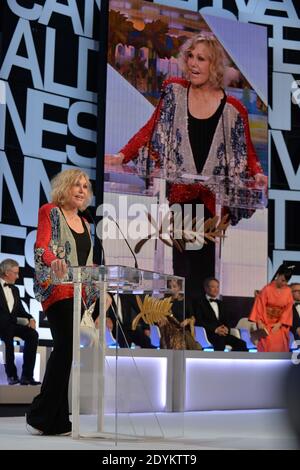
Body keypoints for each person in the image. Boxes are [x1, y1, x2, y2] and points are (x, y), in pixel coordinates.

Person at [105, 32, 267, 304]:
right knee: (182, 270)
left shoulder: (234, 108)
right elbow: (151, 128)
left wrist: (258, 172)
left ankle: (199, 328)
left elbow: (247, 149)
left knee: (205, 272)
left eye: (201, 59)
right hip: (181, 193)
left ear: (213, 65)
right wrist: (123, 155)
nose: (193, 63)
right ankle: (183, 325)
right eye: (190, 56)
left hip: (213, 201)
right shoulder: (174, 91)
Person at [26, 169, 96, 436]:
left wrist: (103, 290)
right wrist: (52, 260)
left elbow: (87, 263)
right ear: (64, 188)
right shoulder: (50, 211)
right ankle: (39, 413)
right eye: (76, 185)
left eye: (85, 187)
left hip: (78, 293)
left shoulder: (86, 224)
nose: (81, 190)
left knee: (67, 351)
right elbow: (41, 246)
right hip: (56, 288)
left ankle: (54, 418)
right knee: (66, 346)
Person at [0, 259, 40, 385]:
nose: (18, 276)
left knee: (33, 335)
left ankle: (27, 376)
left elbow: (21, 310)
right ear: (6, 272)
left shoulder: (15, 290)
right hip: (1, 325)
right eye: (15, 273)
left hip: (11, 325)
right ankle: (11, 375)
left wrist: (31, 318)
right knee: (7, 335)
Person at [193, 277, 247, 351]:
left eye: (217, 287)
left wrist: (226, 329)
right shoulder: (199, 303)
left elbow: (227, 320)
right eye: (213, 287)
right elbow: (199, 321)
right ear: (206, 288)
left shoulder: (222, 304)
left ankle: (235, 362)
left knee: (242, 344)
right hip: (209, 334)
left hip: (223, 334)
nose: (216, 289)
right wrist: (215, 329)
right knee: (220, 343)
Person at [249, 264, 294, 352]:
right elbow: (259, 306)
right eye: (283, 280)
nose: (284, 283)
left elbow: (287, 310)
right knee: (267, 340)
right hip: (265, 323)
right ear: (278, 275)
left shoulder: (288, 291)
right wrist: (260, 322)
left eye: (286, 282)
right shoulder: (267, 289)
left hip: (279, 324)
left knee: (281, 340)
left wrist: (279, 324)